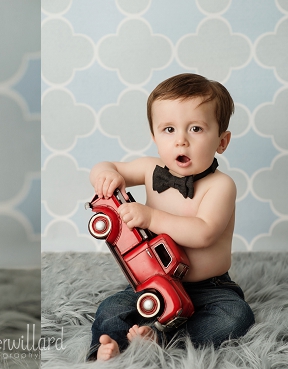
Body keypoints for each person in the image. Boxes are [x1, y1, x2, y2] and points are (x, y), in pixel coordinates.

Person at [87, 73, 254, 361]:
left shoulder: (221, 186)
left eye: (196, 129)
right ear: (154, 136)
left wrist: (151, 217)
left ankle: (164, 339)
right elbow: (107, 165)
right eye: (168, 129)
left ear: (222, 141)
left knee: (236, 317)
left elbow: (203, 233)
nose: (181, 141)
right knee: (111, 308)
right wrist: (106, 174)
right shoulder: (151, 169)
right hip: (154, 279)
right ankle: (110, 345)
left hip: (209, 287)